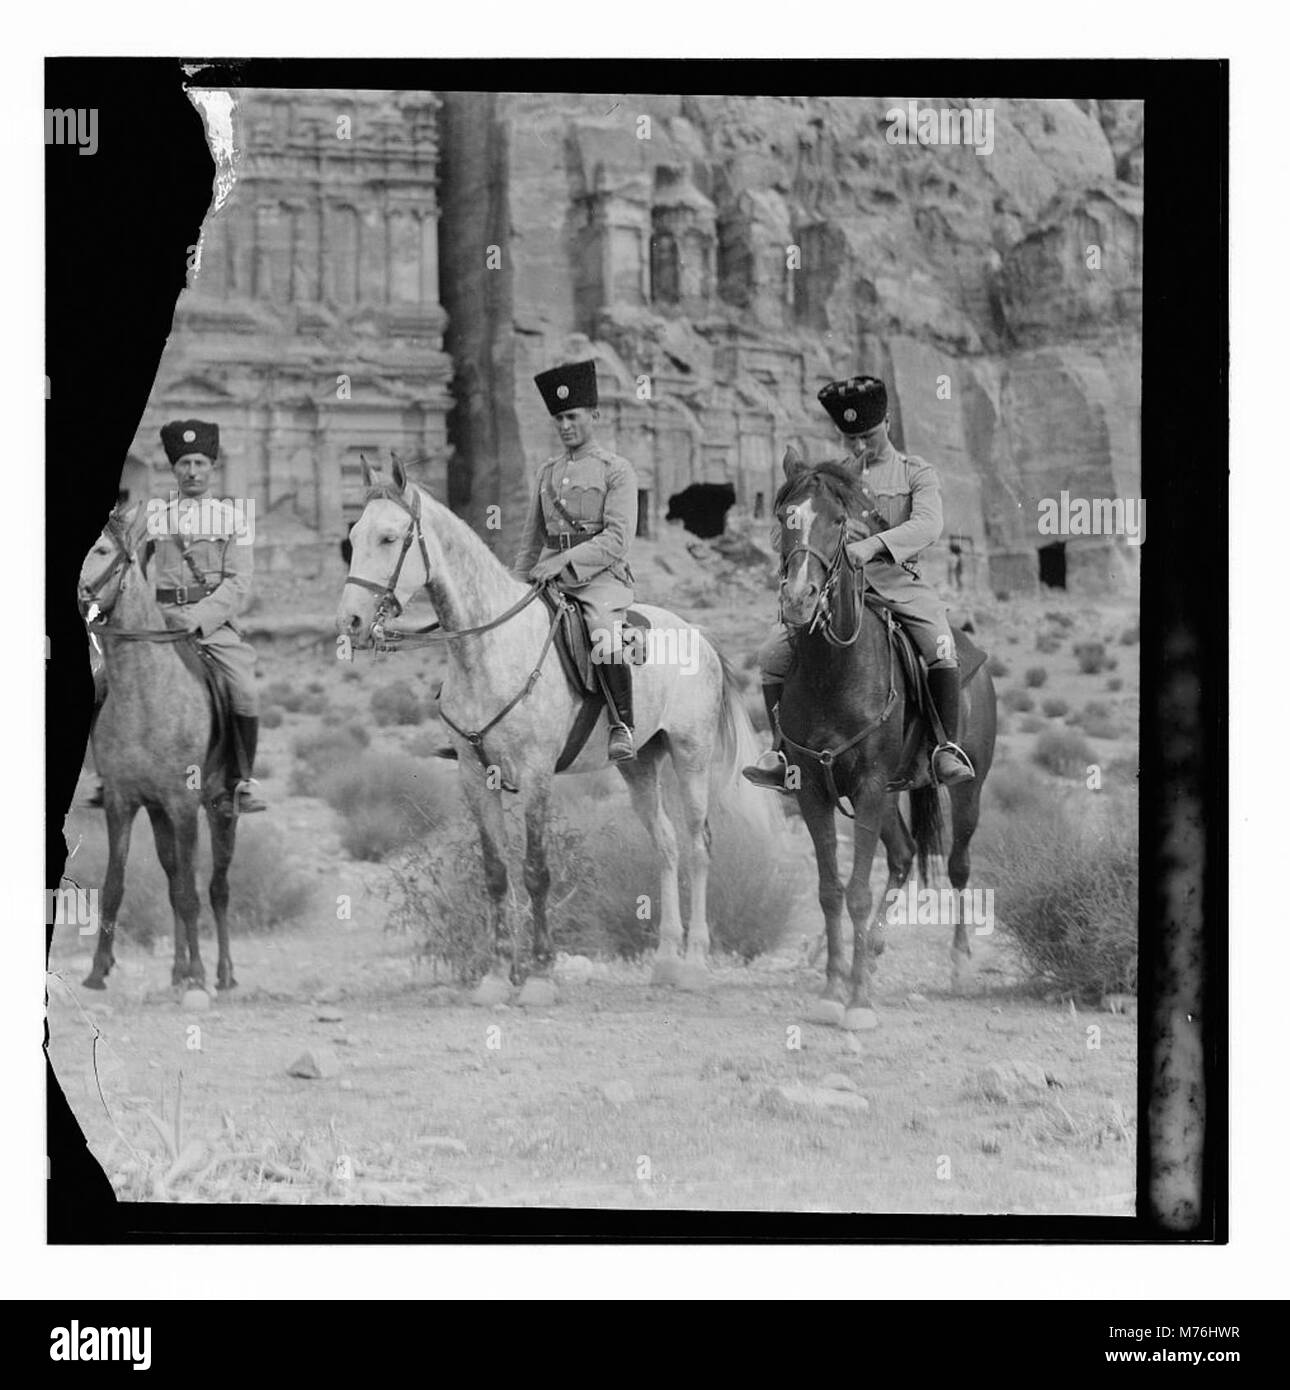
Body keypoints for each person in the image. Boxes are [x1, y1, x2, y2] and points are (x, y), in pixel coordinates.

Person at [743, 375, 975, 790]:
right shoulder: (831, 479)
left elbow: (928, 525)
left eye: (866, 435)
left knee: (941, 645)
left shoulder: (915, 472)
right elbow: (789, 531)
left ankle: (944, 749)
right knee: (771, 654)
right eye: (850, 439)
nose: (858, 447)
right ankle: (781, 753)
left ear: (887, 422)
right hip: (843, 591)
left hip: (900, 586)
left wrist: (871, 546)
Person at [88, 418, 266, 813]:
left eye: (200, 463)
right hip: (158, 625)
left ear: (212, 467)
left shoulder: (234, 519)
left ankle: (239, 781)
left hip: (213, 627)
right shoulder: (151, 516)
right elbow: (120, 558)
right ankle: (108, 775)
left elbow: (239, 582)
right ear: (174, 469)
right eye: (185, 464)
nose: (192, 472)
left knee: (245, 691)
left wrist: (198, 617)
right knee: (101, 682)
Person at [512, 360, 638, 762]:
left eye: (572, 416)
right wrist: (515, 587)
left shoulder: (616, 470)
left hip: (600, 579)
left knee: (601, 629)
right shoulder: (547, 473)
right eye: (558, 419)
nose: (565, 426)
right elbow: (530, 543)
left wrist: (564, 560)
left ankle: (622, 724)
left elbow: (617, 539)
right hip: (547, 577)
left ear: (594, 416)